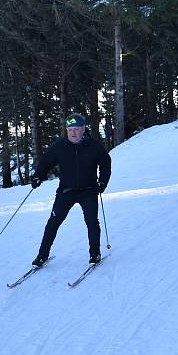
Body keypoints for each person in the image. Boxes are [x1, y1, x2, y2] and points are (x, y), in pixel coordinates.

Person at [30, 113, 111, 267]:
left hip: (89, 191)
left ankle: (95, 254)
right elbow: (46, 162)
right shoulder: (60, 146)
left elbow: (106, 164)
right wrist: (37, 176)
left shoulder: (94, 146)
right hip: (66, 192)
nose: (73, 133)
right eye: (70, 129)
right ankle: (42, 255)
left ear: (83, 129)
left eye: (77, 129)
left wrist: (102, 182)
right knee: (53, 222)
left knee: (92, 222)